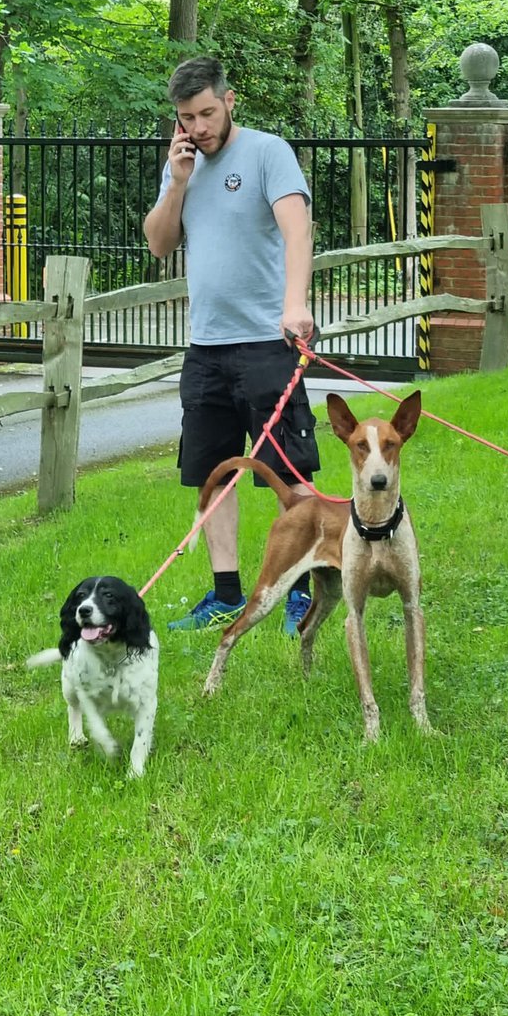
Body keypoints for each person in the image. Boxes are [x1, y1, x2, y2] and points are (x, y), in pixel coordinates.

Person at [143, 56, 320, 634]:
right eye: (186, 117)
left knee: (289, 473)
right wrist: (177, 182)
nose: (198, 127)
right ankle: (225, 593)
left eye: (207, 113)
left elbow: (298, 229)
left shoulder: (268, 152)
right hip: (207, 347)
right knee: (213, 474)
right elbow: (159, 244)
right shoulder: (181, 165)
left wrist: (295, 304)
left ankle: (298, 590)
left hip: (268, 343)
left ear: (230, 101)